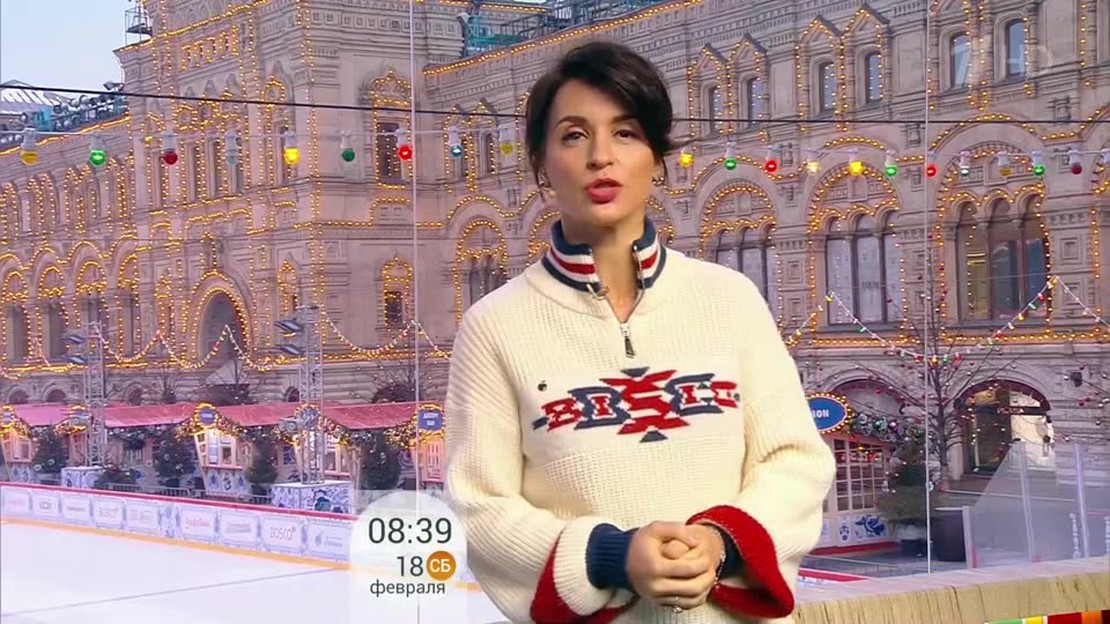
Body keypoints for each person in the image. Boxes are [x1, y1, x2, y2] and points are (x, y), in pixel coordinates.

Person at [443, 40, 835, 624]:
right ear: (541, 163)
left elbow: (795, 461)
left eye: (625, 133)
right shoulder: (495, 326)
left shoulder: (730, 300)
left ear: (656, 157)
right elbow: (481, 506)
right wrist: (613, 556)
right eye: (574, 136)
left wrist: (721, 543)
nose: (601, 156)